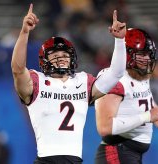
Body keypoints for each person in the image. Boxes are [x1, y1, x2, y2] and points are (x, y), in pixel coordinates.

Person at [11, 3, 127, 163]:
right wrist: (24, 32)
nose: (61, 58)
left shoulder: (83, 81)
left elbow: (116, 73)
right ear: (45, 61)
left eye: (65, 54)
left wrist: (120, 41)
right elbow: (17, 69)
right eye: (55, 54)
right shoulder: (38, 81)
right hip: (46, 160)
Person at [94, 28, 158, 164]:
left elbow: (155, 113)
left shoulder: (141, 76)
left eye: (148, 54)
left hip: (129, 154)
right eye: (141, 54)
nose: (146, 59)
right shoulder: (114, 78)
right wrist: (147, 116)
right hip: (116, 152)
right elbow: (104, 127)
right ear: (127, 53)